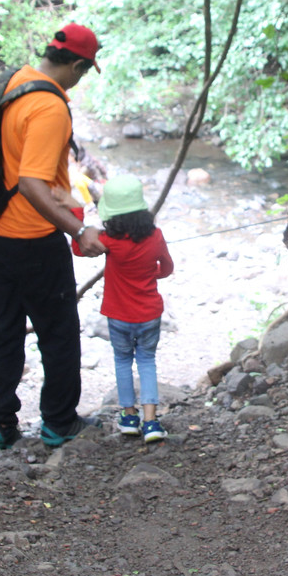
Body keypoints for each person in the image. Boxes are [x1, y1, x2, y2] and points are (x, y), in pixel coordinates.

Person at [0, 23, 107, 450]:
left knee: (6, 326)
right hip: (32, 238)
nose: (80, 80)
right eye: (84, 72)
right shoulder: (50, 106)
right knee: (59, 331)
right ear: (77, 64)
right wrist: (79, 229)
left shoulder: (2, 82)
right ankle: (58, 422)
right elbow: (32, 183)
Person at [96, 174, 174, 443]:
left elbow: (78, 248)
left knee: (122, 362)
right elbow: (167, 268)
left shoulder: (108, 240)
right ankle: (151, 422)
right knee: (146, 361)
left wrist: (73, 211)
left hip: (118, 315)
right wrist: (151, 274)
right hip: (149, 313)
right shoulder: (156, 236)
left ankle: (129, 418)